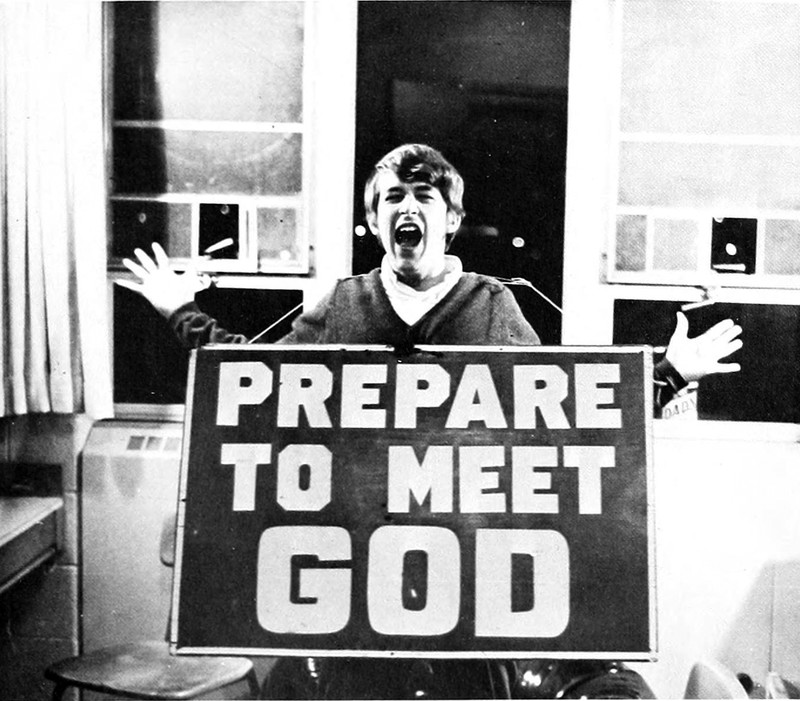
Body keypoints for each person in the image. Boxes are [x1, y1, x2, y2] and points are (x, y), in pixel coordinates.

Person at [119, 144, 742, 699]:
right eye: (393, 197)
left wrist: (671, 372)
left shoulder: (492, 303)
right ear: (374, 220)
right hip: (361, 573)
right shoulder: (342, 304)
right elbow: (253, 384)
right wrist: (181, 312)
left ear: (450, 218)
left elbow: (571, 411)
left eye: (424, 195)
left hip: (468, 572)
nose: (407, 206)